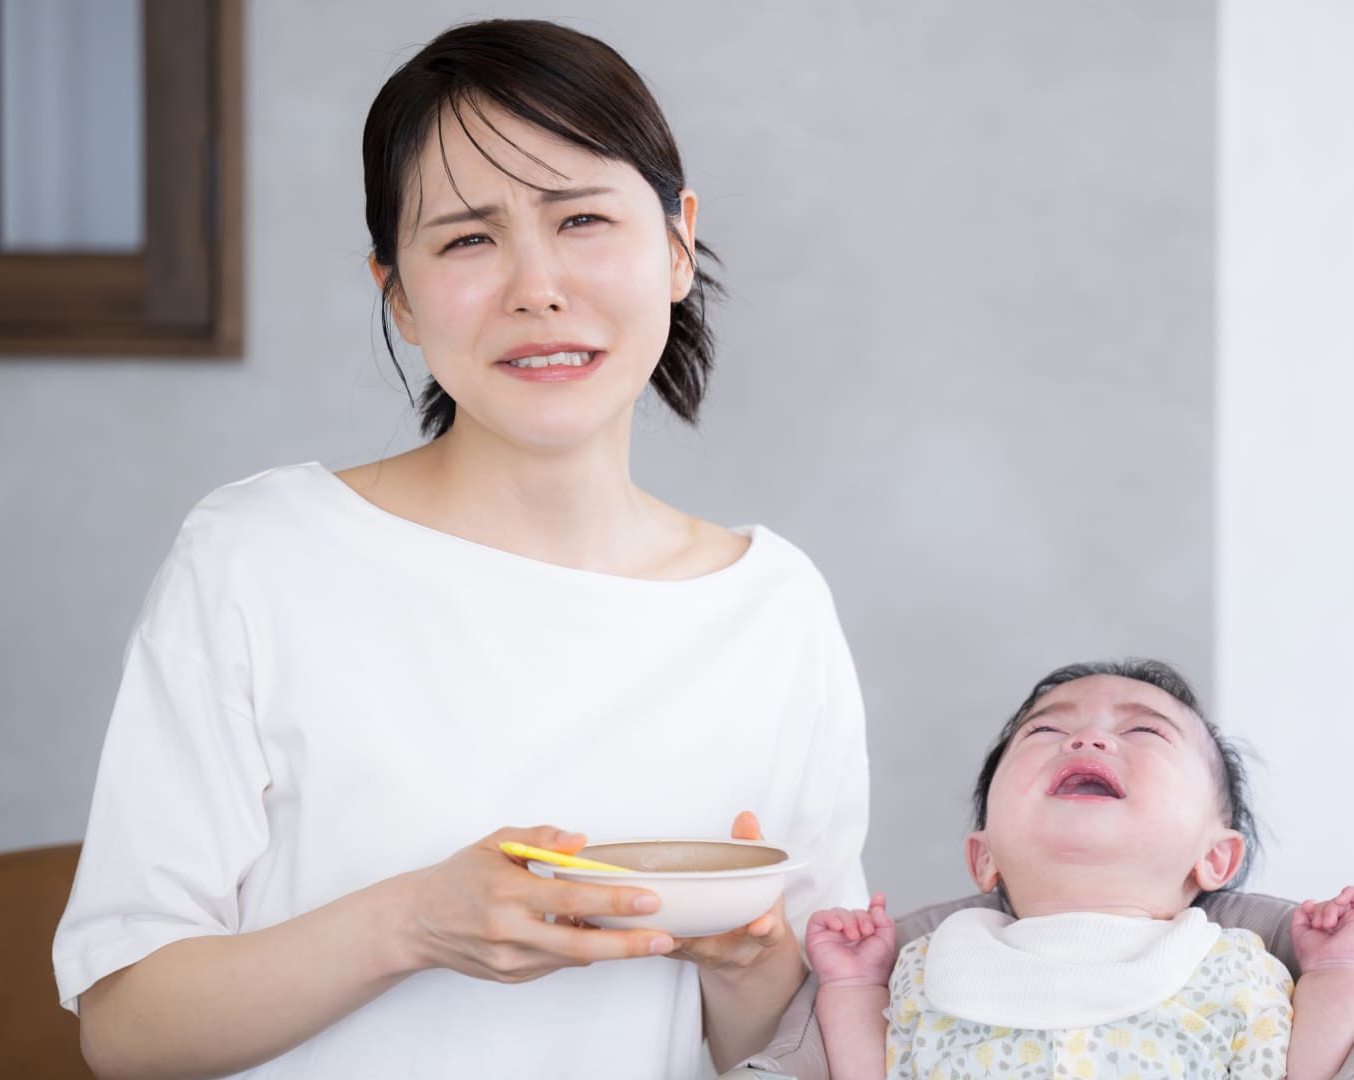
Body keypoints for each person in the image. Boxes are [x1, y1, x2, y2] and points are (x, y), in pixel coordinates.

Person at [52, 19, 868, 1079]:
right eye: (467, 239)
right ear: (395, 291)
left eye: (581, 219)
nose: (537, 285)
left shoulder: (773, 610)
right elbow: (126, 1030)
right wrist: (412, 925)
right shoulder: (258, 559)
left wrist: (749, 961)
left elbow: (807, 1043)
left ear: (676, 243)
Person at [806, 660, 1354, 1080]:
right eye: (1044, 731)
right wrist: (853, 985)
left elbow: (1316, 1072)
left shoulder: (1232, 970)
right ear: (985, 857)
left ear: (1214, 857)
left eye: (1145, 731)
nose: (1087, 739)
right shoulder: (928, 967)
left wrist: (1335, 972)